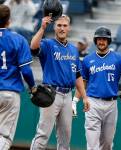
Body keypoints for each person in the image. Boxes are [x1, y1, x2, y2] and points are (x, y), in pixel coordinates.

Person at [30, 14, 90, 150]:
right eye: (59, 25)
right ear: (55, 27)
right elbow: (33, 47)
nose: (62, 28)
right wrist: (42, 28)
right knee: (43, 135)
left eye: (64, 26)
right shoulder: (48, 44)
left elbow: (78, 75)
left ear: (69, 28)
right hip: (51, 93)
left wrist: (85, 97)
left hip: (68, 95)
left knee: (65, 138)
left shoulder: (74, 50)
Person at [72, 26, 121, 150]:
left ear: (109, 41)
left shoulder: (118, 58)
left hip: (111, 104)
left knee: (107, 144)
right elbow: (82, 83)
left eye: (104, 39)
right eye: (99, 39)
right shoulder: (88, 60)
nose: (101, 41)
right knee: (92, 144)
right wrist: (74, 101)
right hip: (93, 103)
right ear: (95, 40)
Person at [0, 4, 36, 150]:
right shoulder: (18, 39)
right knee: (4, 136)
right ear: (9, 20)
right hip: (9, 92)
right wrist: (32, 87)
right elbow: (26, 71)